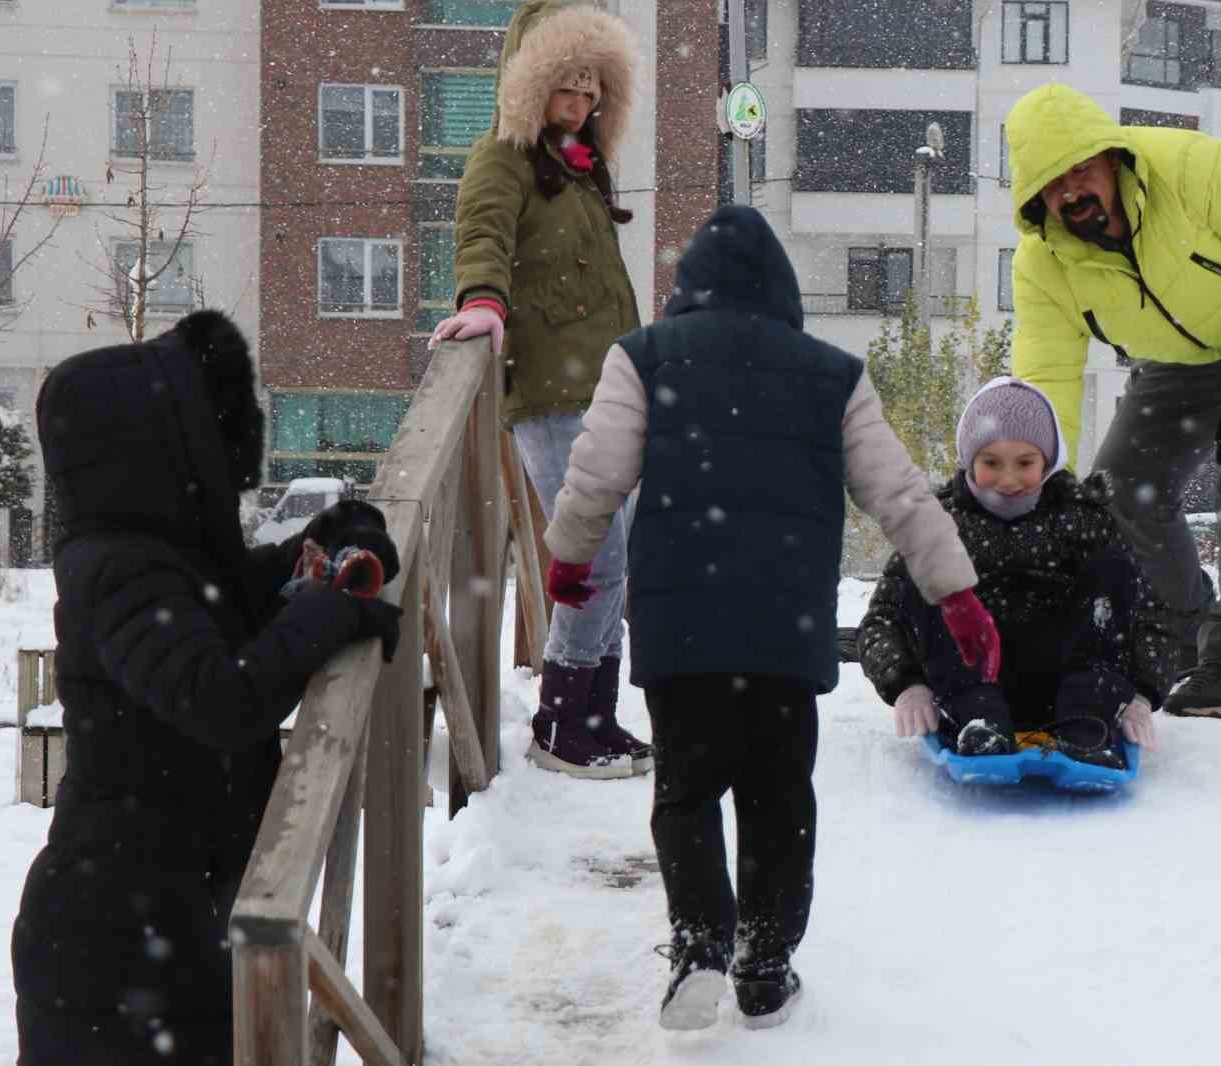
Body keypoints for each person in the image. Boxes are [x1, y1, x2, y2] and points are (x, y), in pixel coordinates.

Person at [540, 206, 999, 1031]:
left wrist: (570, 557)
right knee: (777, 792)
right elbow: (898, 495)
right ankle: (764, 962)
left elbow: (595, 474)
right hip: (784, 632)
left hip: (682, 627)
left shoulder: (643, 357)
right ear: (784, 290)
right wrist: (956, 593)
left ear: (687, 289)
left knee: (685, 792)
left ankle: (699, 945)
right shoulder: (832, 374)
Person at [13, 310, 402, 1066]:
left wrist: (337, 538)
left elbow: (241, 599)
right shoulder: (117, 571)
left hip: (172, 924)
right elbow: (219, 700)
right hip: (113, 951)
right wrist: (327, 614)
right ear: (160, 453)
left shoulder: (162, 560)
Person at [1004, 82, 1221, 719]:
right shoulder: (1043, 265)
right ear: (1034, 199)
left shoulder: (1197, 171)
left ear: (1113, 159)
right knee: (1118, 485)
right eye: (1051, 185)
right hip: (1186, 357)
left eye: (1081, 169)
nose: (1071, 192)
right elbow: (1046, 376)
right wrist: (1034, 476)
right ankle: (1188, 631)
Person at [428, 0, 647, 778]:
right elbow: (481, 233)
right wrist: (482, 301)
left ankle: (599, 715)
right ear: (530, 83)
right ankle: (560, 725)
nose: (580, 103)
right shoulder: (505, 159)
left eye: (592, 90)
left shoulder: (582, 170)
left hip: (610, 392)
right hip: (552, 394)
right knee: (592, 557)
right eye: (566, 86)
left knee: (615, 552)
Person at [858, 377, 1172, 766]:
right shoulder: (938, 521)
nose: (1008, 480)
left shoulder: (1084, 519)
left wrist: (1142, 693)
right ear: (969, 460)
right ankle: (979, 720)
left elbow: (1149, 614)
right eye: (991, 462)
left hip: (1071, 683)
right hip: (969, 681)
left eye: (1025, 463)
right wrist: (906, 684)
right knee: (926, 571)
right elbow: (882, 619)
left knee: (1113, 568)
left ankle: (1088, 719)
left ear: (1048, 462)